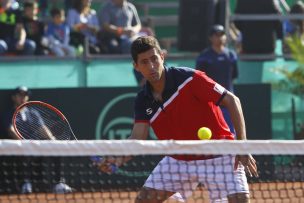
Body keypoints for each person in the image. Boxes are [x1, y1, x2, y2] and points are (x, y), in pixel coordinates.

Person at [97, 36, 258, 203]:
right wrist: (116, 158)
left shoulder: (189, 78)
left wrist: (242, 145)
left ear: (162, 56)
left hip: (219, 154)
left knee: (240, 200)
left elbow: (232, 101)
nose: (151, 66)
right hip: (179, 160)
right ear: (136, 66)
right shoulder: (142, 100)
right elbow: (138, 138)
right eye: (144, 62)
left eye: (154, 59)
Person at [0, 86, 72, 194]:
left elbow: (42, 128)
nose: (22, 98)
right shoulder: (7, 114)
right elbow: (11, 130)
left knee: (56, 150)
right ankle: (26, 183)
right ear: (13, 97)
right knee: (26, 152)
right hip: (17, 146)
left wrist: (52, 140)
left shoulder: (33, 113)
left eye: (25, 95)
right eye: (20, 95)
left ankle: (58, 183)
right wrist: (24, 142)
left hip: (36, 145)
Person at [196, 24, 238, 133]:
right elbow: (199, 80)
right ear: (211, 38)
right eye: (216, 35)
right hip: (210, 103)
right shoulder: (204, 57)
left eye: (222, 35)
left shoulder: (231, 55)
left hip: (228, 102)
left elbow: (234, 76)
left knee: (229, 133)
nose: (220, 38)